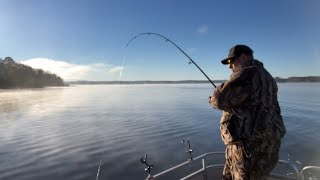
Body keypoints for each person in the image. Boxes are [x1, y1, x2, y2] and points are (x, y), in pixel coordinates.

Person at [208, 45, 286, 180]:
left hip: (248, 148)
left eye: (232, 61)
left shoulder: (247, 74)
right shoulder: (267, 76)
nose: (230, 66)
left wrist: (213, 97)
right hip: (267, 146)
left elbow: (220, 100)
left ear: (243, 56)